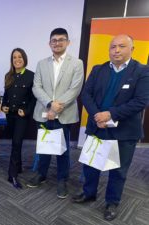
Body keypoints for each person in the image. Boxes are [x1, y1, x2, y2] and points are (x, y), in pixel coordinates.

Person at [72, 34, 149, 221]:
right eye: (113, 46)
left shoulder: (142, 71)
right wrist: (97, 115)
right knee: (91, 164)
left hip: (123, 131)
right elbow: (86, 94)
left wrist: (111, 114)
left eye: (121, 46)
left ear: (132, 49)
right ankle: (89, 192)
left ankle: (112, 202)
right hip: (97, 126)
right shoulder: (98, 70)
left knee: (118, 170)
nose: (116, 50)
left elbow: (141, 101)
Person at [27, 28, 84, 199]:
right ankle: (41, 174)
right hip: (44, 113)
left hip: (64, 114)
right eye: (54, 40)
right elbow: (36, 87)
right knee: (44, 147)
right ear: (49, 43)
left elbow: (75, 88)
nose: (57, 43)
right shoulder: (41, 63)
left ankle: (62, 179)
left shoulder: (77, 63)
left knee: (63, 150)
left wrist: (57, 107)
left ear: (68, 42)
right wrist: (50, 104)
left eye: (61, 39)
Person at [1, 48, 35, 189]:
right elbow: (6, 96)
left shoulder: (31, 76)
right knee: (15, 142)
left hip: (22, 116)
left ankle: (12, 174)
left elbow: (34, 99)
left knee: (16, 142)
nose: (17, 59)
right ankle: (19, 166)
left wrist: (26, 111)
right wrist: (4, 106)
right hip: (11, 116)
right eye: (14, 57)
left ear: (24, 59)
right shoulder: (8, 75)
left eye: (20, 57)